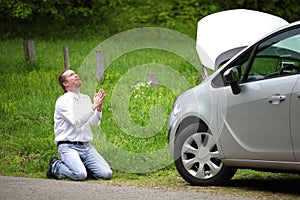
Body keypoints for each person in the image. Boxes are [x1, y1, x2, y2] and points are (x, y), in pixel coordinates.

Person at [46, 69, 112, 181]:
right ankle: (56, 166)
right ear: (65, 83)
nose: (76, 75)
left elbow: (94, 122)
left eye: (75, 73)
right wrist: (93, 106)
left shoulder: (85, 98)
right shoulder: (63, 101)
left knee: (107, 174)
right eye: (71, 75)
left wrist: (98, 108)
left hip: (86, 146)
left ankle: (84, 167)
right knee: (79, 175)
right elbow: (76, 121)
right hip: (67, 146)